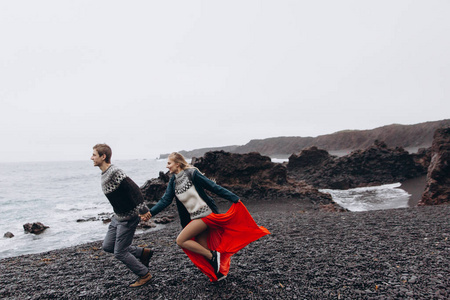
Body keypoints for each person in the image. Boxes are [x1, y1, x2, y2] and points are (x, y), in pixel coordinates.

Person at [147, 152, 270, 282]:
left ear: (177, 163)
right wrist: (150, 213)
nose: (167, 166)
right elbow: (165, 200)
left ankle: (212, 255)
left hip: (205, 215)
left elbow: (213, 187)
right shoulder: (173, 181)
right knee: (202, 247)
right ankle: (219, 274)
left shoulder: (192, 173)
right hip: (194, 218)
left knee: (181, 240)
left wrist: (234, 198)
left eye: (169, 163)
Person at [91, 144, 154, 288]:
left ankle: (144, 275)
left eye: (94, 155)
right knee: (108, 246)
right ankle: (143, 253)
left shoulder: (115, 172)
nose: (91, 157)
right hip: (117, 217)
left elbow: (134, 189)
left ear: (103, 156)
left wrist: (143, 210)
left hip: (129, 218)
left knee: (120, 252)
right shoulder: (105, 173)